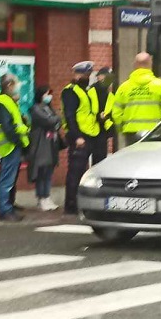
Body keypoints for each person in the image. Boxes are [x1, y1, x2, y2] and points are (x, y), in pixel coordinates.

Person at [62, 61, 112, 215]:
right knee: (75, 171)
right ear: (76, 74)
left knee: (86, 172)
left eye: (89, 75)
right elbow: (70, 116)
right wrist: (76, 136)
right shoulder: (70, 91)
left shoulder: (86, 90)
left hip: (91, 134)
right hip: (80, 137)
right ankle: (71, 205)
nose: (87, 77)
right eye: (85, 75)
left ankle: (82, 201)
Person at [112, 52, 161, 147]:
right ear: (150, 64)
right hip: (154, 132)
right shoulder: (160, 85)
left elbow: (116, 113)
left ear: (135, 65)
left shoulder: (124, 87)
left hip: (131, 132)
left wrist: (121, 128)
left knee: (133, 159)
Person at [0, 73, 30, 222]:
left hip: (11, 146)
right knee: (7, 180)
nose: (17, 87)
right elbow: (7, 127)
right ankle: (5, 211)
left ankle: (8, 205)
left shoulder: (8, 101)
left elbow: (14, 123)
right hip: (10, 146)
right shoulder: (3, 102)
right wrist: (18, 142)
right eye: (15, 84)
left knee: (8, 179)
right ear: (9, 85)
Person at [27, 85, 61, 211]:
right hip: (41, 144)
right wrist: (56, 119)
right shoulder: (35, 109)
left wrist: (56, 120)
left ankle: (47, 197)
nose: (49, 96)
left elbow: (57, 122)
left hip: (51, 143)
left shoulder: (48, 108)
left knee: (48, 172)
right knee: (41, 172)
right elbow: (49, 121)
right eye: (47, 94)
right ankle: (41, 198)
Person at [89, 67, 116, 163]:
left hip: (103, 131)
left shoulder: (110, 95)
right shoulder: (91, 91)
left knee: (100, 160)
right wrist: (98, 117)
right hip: (90, 129)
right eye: (106, 76)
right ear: (99, 77)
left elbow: (111, 113)